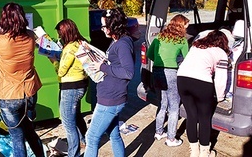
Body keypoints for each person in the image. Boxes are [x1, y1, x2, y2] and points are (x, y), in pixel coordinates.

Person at [0, 2, 45, 157]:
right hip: (29, 94)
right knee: (30, 132)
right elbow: (13, 35)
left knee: (17, 138)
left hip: (8, 96)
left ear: (4, 19)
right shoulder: (30, 37)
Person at [84, 8, 135, 157]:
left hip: (110, 100)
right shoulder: (119, 40)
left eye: (104, 26)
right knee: (114, 135)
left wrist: (102, 67)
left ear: (114, 26)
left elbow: (128, 72)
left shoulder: (122, 44)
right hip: (111, 97)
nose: (102, 29)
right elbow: (117, 65)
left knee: (91, 137)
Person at [177, 30, 230, 157]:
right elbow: (221, 79)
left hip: (182, 79)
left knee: (191, 116)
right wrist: (220, 97)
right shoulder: (221, 53)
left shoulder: (196, 46)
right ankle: (205, 153)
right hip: (202, 82)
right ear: (223, 42)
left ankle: (194, 151)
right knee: (204, 119)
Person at [147, 14, 189, 147]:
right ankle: (171, 138)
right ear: (181, 25)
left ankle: (159, 132)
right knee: (174, 107)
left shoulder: (159, 37)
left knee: (162, 103)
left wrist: (161, 62)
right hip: (171, 73)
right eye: (186, 25)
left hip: (157, 72)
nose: (187, 27)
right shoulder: (182, 40)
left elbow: (149, 55)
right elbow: (187, 59)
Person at [48, 19, 89, 157]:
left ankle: (74, 154)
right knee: (75, 117)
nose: (60, 36)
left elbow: (61, 71)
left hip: (70, 87)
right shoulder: (81, 43)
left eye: (60, 34)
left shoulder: (71, 47)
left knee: (68, 125)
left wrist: (53, 61)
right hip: (80, 84)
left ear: (66, 32)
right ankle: (84, 141)